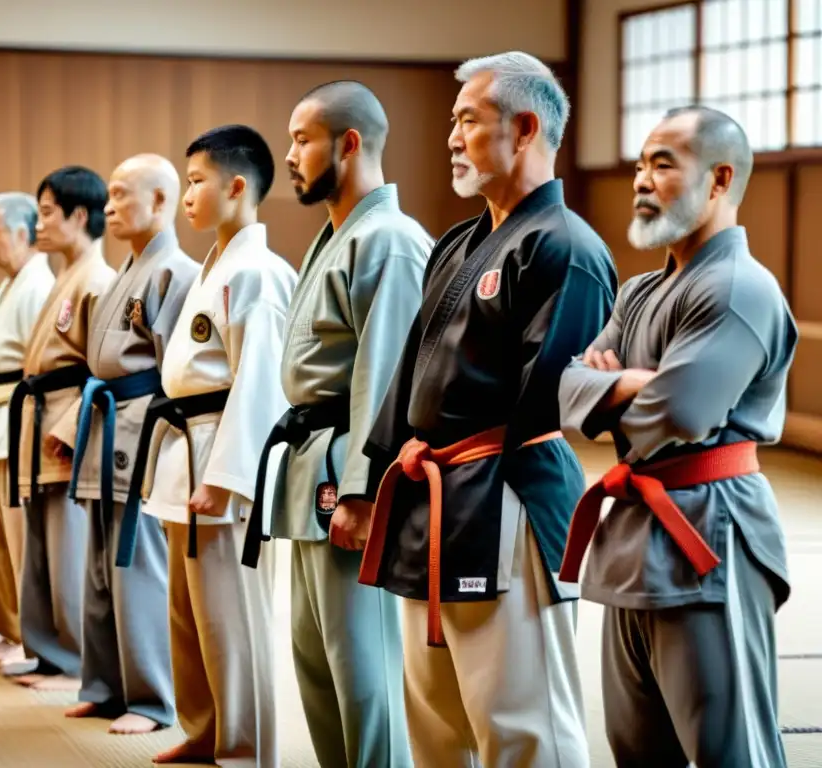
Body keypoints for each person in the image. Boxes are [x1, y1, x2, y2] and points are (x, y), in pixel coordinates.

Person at [358, 52, 617, 768]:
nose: (450, 138)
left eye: (467, 120)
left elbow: (552, 398)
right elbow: (408, 369)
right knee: (436, 718)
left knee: (520, 718)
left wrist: (457, 449)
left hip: (507, 496)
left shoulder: (567, 248)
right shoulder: (458, 243)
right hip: (430, 493)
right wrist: (374, 474)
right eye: (453, 122)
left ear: (525, 128)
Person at [557, 105, 795, 768]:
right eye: (640, 163)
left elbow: (682, 410)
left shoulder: (740, 288)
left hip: (709, 536)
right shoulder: (636, 292)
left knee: (729, 749)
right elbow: (564, 395)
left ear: (719, 180)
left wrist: (613, 388)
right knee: (635, 748)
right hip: (634, 536)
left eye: (663, 164)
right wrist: (633, 385)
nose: (641, 178)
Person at [241, 80, 431, 768]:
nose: (289, 155)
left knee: (363, 666)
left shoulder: (391, 241)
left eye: (302, 139)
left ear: (348, 144)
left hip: (351, 466)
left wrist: (363, 489)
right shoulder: (339, 235)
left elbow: (384, 381)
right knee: (314, 659)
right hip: (310, 463)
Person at [136, 125, 294, 766]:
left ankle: (244, 749)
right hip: (186, 447)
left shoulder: (258, 272)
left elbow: (261, 385)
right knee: (188, 613)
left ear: (236, 186)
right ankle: (202, 732)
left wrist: (228, 477)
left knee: (233, 622)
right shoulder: (218, 265)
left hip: (224, 456)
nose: (187, 196)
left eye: (196, 182)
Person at [62, 154, 196, 735]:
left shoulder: (175, 271)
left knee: (135, 563)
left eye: (121, 195)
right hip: (106, 417)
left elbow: (178, 372)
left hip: (141, 427)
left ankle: (150, 697)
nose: (109, 207)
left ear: (161, 201)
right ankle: (104, 684)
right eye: (108, 197)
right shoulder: (126, 270)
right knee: (96, 566)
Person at [6, 166, 115, 692]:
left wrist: (74, 427)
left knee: (66, 551)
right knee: (40, 551)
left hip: (66, 423)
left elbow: (105, 368)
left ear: (78, 215)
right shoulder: (66, 277)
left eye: (47, 212)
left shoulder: (98, 279)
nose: (38, 222)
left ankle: (72, 659)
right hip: (40, 416)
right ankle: (47, 652)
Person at [0, 192, 55, 670]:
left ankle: (30, 637)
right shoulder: (11, 285)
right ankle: (7, 628)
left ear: (23, 234)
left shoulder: (37, 285)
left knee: (20, 538)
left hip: (19, 413)